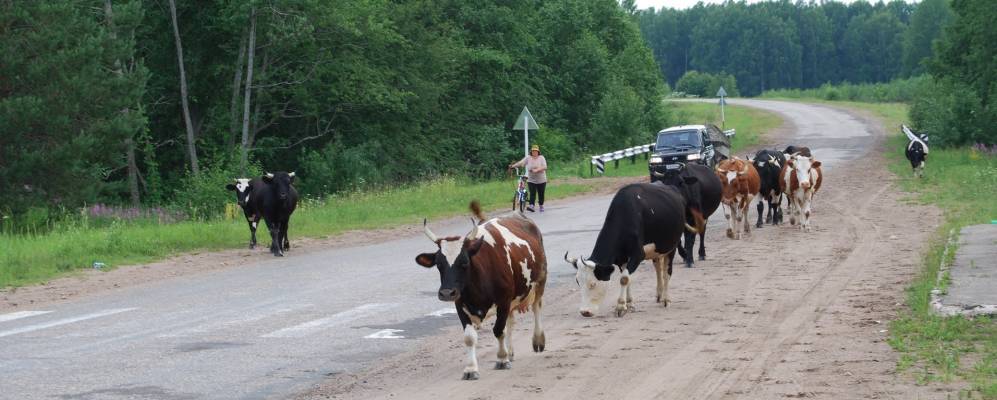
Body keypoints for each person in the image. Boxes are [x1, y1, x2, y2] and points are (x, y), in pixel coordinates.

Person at [509, 144, 548, 212]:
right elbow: (521, 163)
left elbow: (545, 167)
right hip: (531, 180)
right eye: (533, 151)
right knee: (532, 193)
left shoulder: (541, 158)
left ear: (538, 152)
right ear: (531, 151)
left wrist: (537, 170)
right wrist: (513, 166)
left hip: (541, 180)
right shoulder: (528, 158)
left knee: (541, 194)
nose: (534, 152)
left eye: (536, 151)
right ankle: (531, 206)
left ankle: (541, 205)